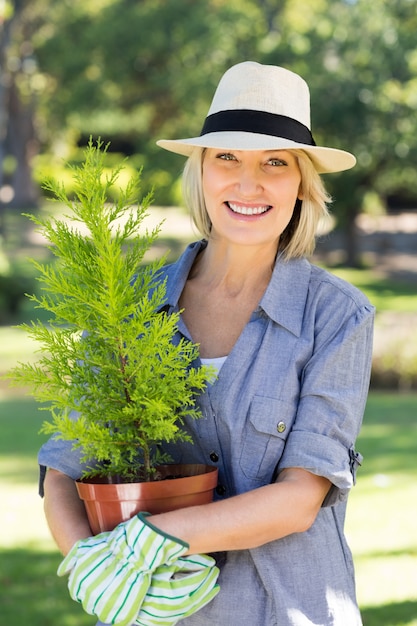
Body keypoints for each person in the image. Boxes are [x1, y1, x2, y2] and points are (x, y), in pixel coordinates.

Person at [38, 61, 374, 625]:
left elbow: (298, 500)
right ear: (201, 172)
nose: (249, 183)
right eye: (227, 158)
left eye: (275, 162)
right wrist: (96, 570)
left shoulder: (336, 317)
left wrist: (147, 542)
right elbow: (63, 471)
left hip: (289, 611)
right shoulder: (132, 307)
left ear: (301, 184)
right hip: (154, 613)